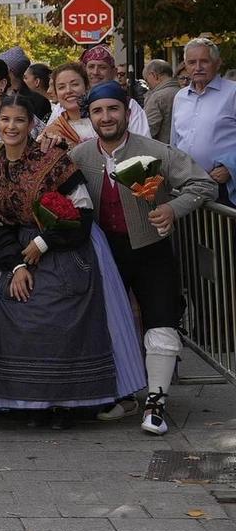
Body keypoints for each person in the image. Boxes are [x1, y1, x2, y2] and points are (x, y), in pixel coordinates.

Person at [0, 95, 144, 421]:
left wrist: (42, 242)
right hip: (21, 252)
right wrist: (18, 265)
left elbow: (81, 213)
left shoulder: (54, 161)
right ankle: (33, 400)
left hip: (68, 245)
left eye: (19, 120)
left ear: (30, 125)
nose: (11, 126)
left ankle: (77, 400)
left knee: (63, 315)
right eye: (5, 120)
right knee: (19, 309)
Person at [69, 80, 218, 436]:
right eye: (98, 111)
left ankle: (156, 402)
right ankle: (122, 395)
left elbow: (202, 184)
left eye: (113, 109)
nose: (106, 117)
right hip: (104, 253)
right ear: (90, 117)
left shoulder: (156, 151)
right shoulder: (80, 156)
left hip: (151, 249)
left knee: (161, 319)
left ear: (127, 111)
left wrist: (171, 207)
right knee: (108, 324)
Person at [171, 38, 236, 203]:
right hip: (187, 184)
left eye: (204, 61)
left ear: (217, 63)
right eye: (192, 62)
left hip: (225, 187)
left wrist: (231, 167)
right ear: (185, 65)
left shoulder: (232, 93)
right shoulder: (180, 97)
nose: (198, 67)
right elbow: (175, 142)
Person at [144, 59, 179, 143]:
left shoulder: (157, 98)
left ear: (154, 75)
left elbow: (147, 131)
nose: (147, 85)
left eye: (146, 80)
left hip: (162, 151)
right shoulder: (184, 93)